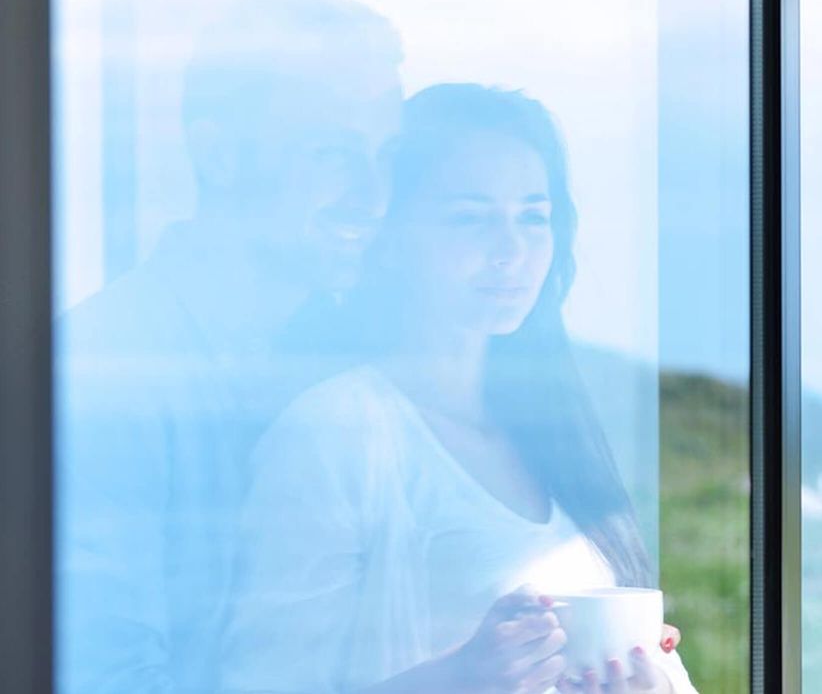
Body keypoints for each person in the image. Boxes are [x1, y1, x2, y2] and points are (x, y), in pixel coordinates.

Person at [219, 84, 695, 694]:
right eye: (470, 218)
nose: (511, 250)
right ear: (388, 239)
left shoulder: (551, 429)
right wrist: (457, 679)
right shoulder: (338, 430)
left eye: (533, 216)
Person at [55, 0, 402, 691]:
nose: (373, 197)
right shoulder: (103, 373)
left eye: (386, 155)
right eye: (332, 152)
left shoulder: (355, 368)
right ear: (216, 155)